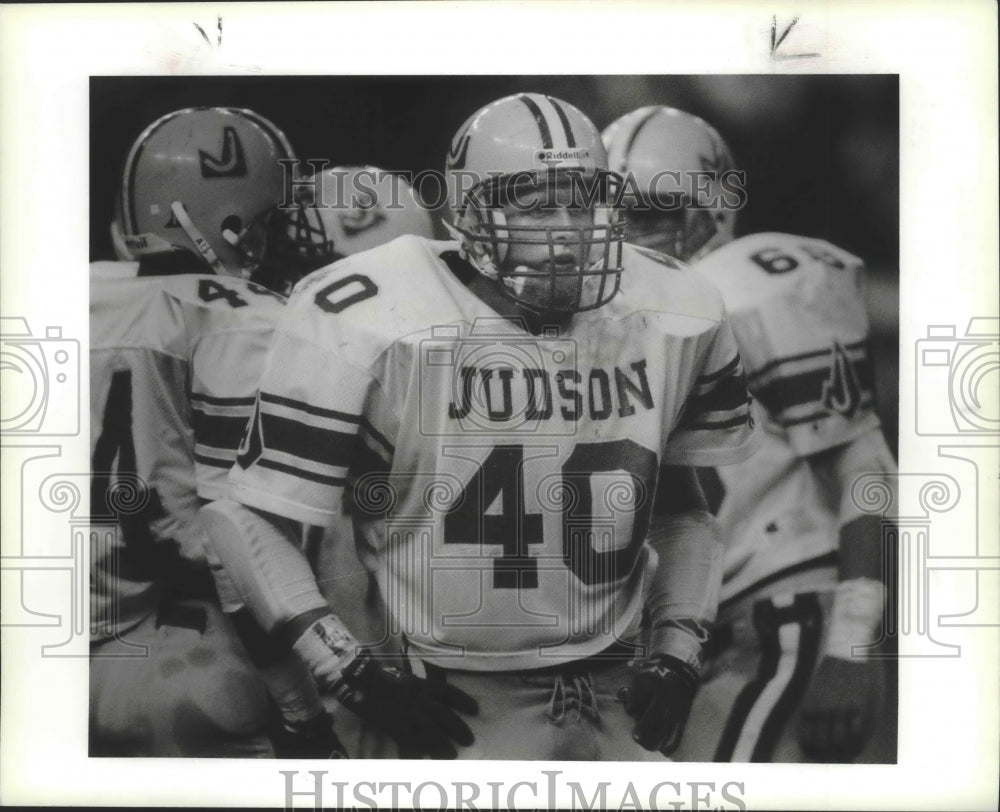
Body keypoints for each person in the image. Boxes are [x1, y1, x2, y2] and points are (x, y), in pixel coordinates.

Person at [200, 92, 759, 760]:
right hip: (453, 695)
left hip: (616, 692)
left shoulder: (675, 307)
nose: (567, 229)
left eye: (582, 200)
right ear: (468, 212)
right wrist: (348, 671)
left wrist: (676, 650)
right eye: (535, 202)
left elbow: (683, 511)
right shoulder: (374, 313)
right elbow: (244, 519)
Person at [602, 105, 896, 762]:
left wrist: (852, 644)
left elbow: (867, 469)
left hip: (781, 612)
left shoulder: (748, 289)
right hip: (685, 640)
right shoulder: (602, 329)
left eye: (649, 214)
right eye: (610, 214)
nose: (624, 237)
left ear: (709, 214)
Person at [90, 106, 343, 758]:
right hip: (138, 643)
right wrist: (307, 713)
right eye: (275, 217)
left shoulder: (63, 289)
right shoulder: (239, 319)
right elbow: (233, 550)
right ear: (237, 230)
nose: (291, 232)